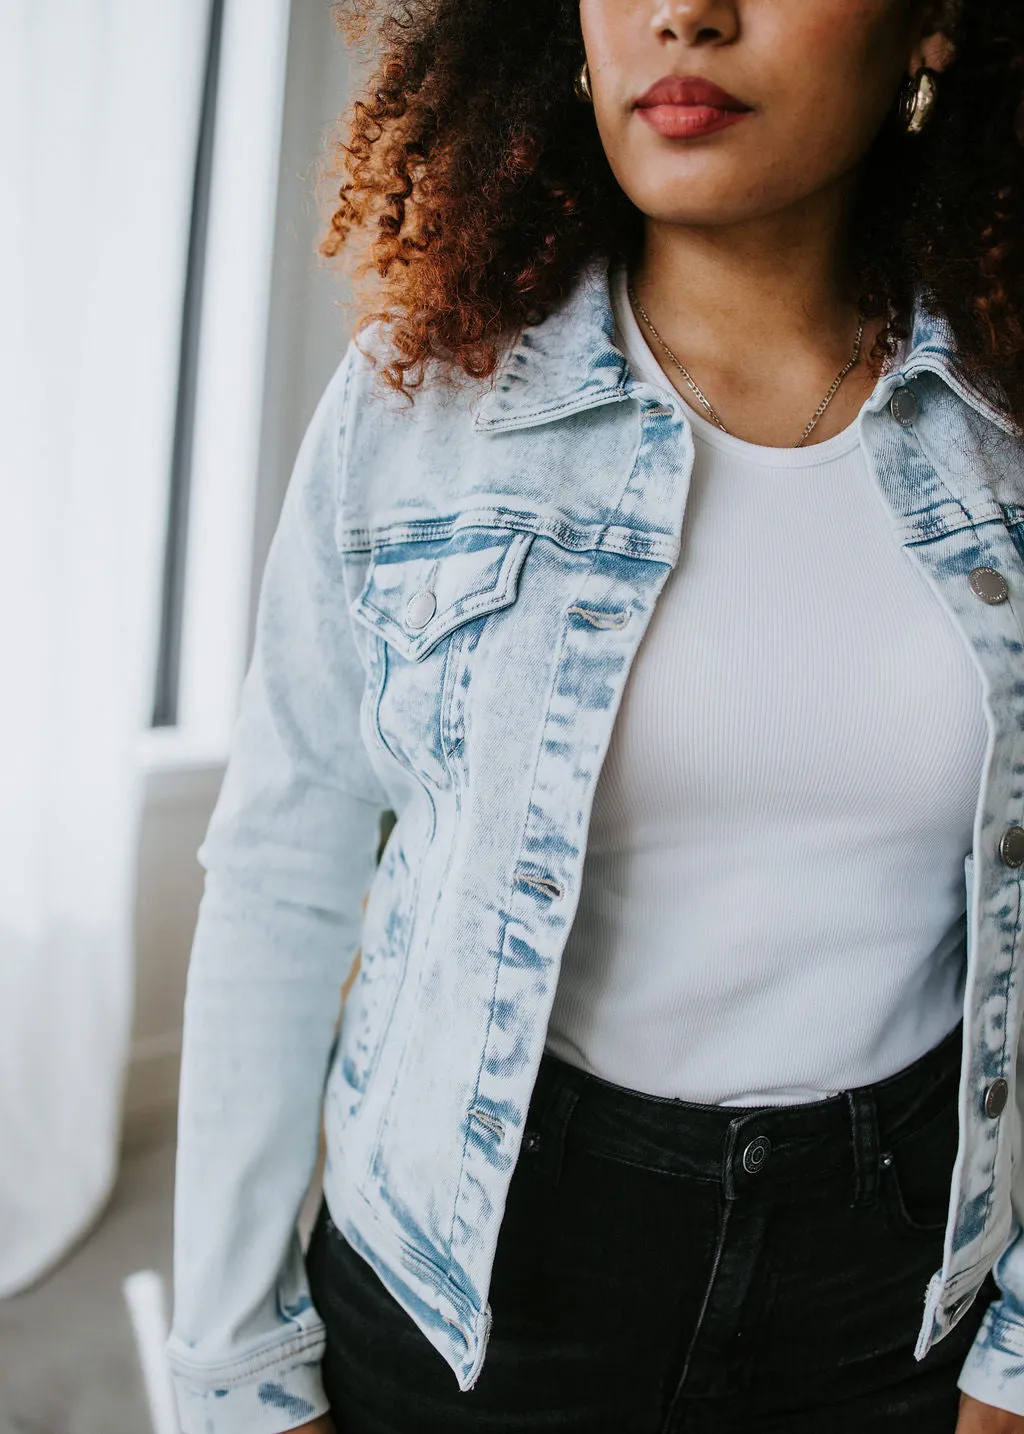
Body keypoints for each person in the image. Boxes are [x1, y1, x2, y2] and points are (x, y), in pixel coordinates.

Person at [165, 1, 1024, 1431]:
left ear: (934, 26)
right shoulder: (420, 401)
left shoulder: (1004, 434)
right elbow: (280, 871)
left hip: (896, 1281)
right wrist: (234, 1364)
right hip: (476, 1274)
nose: (687, 10)